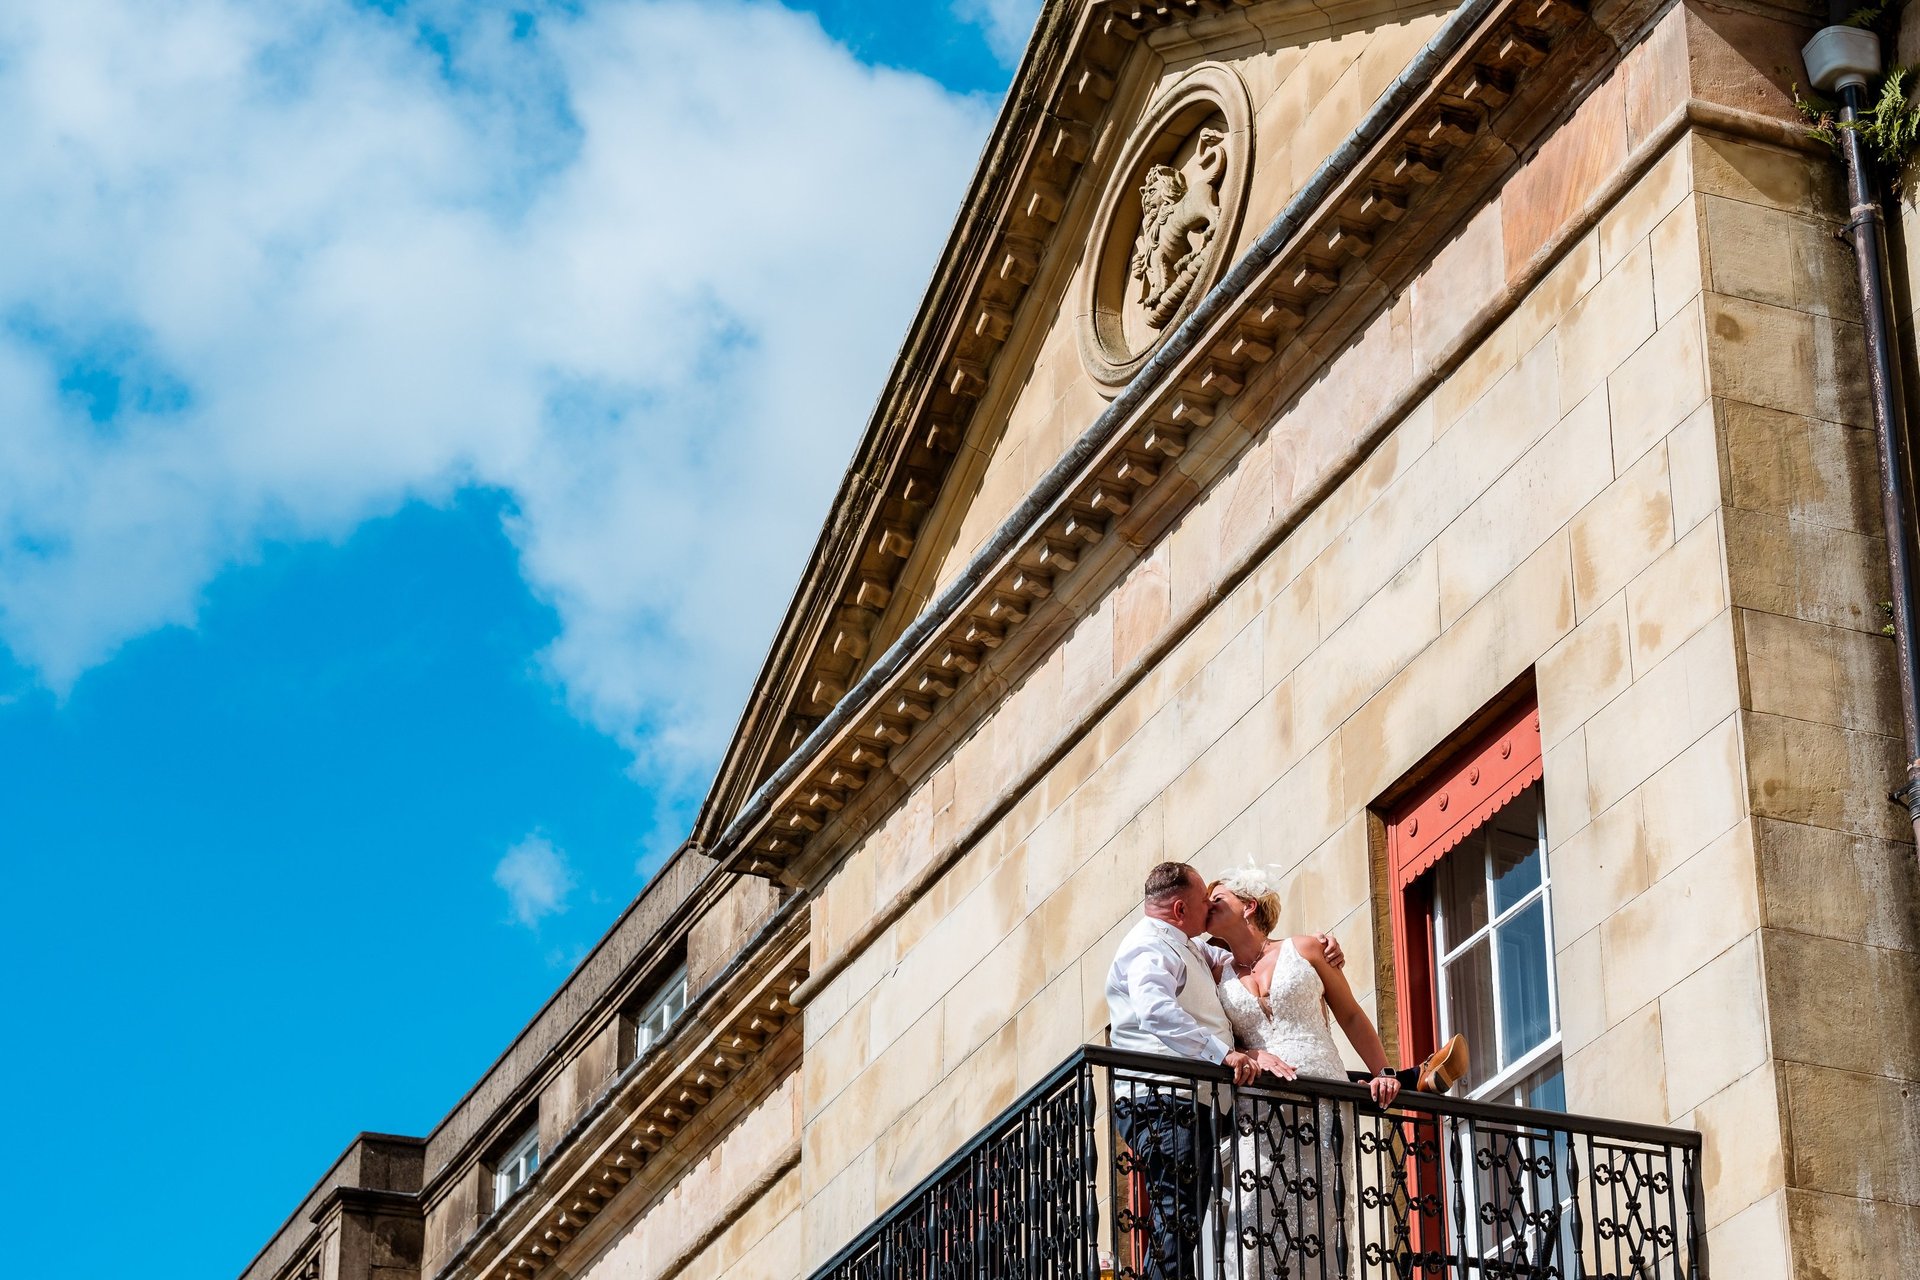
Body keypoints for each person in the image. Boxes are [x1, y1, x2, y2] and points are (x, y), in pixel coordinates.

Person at [1201, 865, 1463, 1280]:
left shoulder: (1305, 949)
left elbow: (1351, 1015)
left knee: (1321, 1209)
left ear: (1249, 906)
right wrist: (1248, 1050)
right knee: (1254, 1214)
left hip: (1322, 1091)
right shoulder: (1214, 974)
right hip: (1260, 1105)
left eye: (1217, 899)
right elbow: (1220, 1040)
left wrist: (1384, 1071)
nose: (1207, 906)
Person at [1105, 861, 1345, 1280]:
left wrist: (1318, 946)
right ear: (1180, 910)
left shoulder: (1189, 946)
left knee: (1190, 1209)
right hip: (1163, 1101)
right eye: (1204, 902)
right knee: (1178, 1213)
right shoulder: (1149, 947)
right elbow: (1155, 1011)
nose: (1210, 909)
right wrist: (1225, 1054)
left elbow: (1246, 953)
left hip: (1193, 1099)